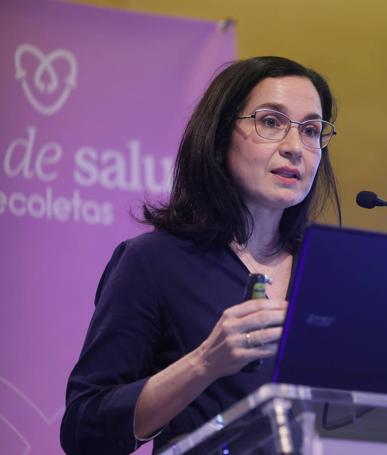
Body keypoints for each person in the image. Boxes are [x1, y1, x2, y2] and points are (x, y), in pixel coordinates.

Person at [60, 56, 340, 454]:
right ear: (220, 134)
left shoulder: (332, 276)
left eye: (311, 130)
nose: (295, 148)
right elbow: (85, 431)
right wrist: (206, 361)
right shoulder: (154, 262)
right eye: (272, 122)